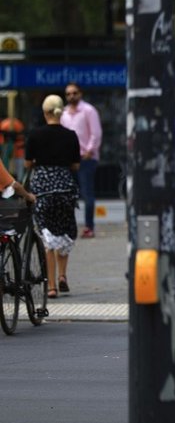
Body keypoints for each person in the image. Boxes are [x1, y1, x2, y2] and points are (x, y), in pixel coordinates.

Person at [24, 95, 80, 299]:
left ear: (45, 112)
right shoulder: (71, 135)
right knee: (63, 231)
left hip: (43, 188)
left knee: (48, 236)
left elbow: (28, 164)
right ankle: (63, 276)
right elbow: (76, 165)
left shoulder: (35, 135)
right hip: (65, 187)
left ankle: (51, 286)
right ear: (61, 111)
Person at [60, 83, 101, 239]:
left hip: (86, 159)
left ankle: (89, 227)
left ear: (80, 93)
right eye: (68, 93)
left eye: (74, 93)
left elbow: (96, 133)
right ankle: (68, 226)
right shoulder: (63, 113)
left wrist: (89, 151)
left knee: (87, 193)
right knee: (68, 194)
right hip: (69, 160)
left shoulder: (88, 110)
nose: (71, 96)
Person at [0, 115, 26, 179]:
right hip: (8, 147)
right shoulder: (5, 123)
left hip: (17, 149)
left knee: (17, 167)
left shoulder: (9, 123)